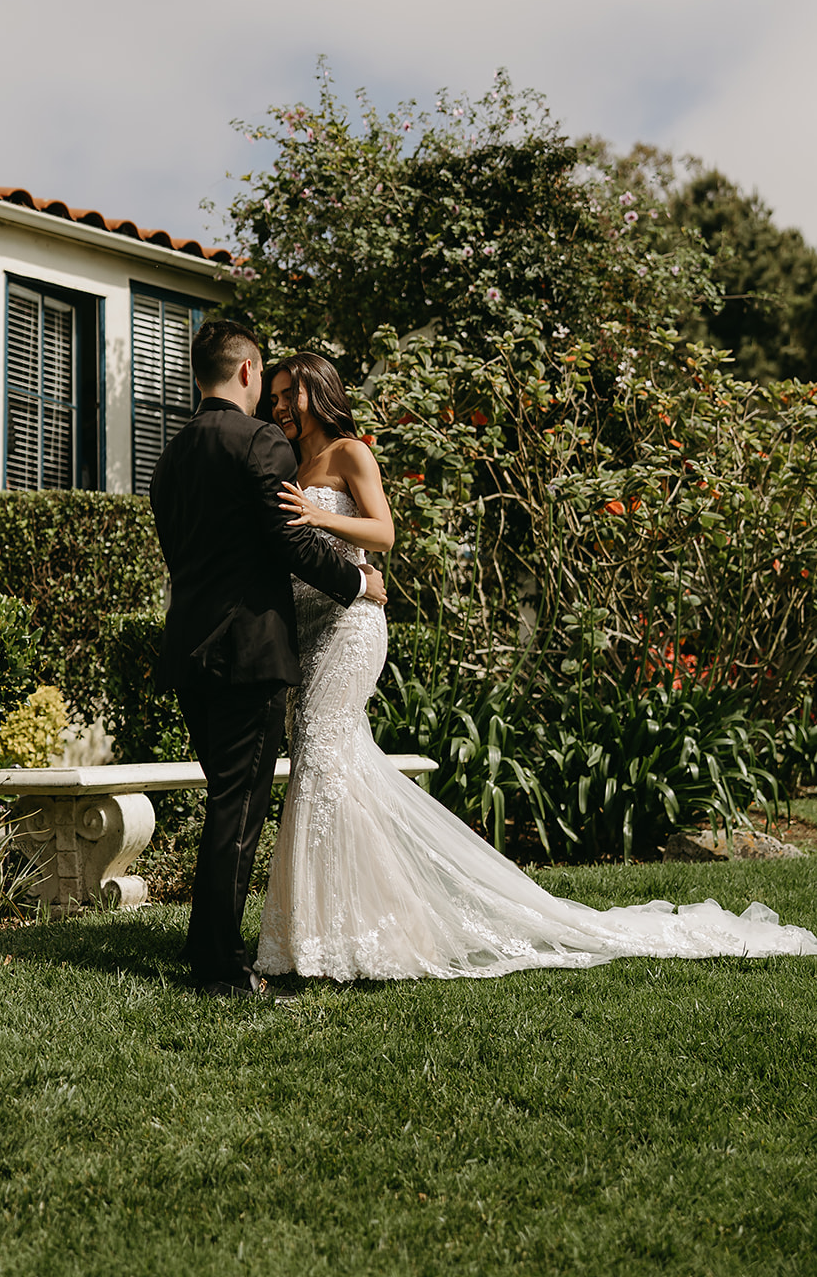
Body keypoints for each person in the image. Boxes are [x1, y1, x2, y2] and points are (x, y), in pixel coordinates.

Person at [254, 351, 817, 981]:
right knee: (324, 764)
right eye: (272, 396)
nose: (278, 406)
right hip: (308, 628)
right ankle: (360, 924)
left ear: (317, 392)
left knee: (325, 759)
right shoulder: (288, 462)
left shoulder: (352, 452)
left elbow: (383, 534)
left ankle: (337, 938)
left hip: (353, 628)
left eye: (288, 394)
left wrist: (317, 514)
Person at [149, 320, 387, 998]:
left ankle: (213, 947)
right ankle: (220, 967)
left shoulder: (169, 457)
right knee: (238, 807)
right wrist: (354, 581)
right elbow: (288, 542)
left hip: (189, 652)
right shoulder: (256, 442)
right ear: (249, 371)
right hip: (247, 650)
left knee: (227, 800)